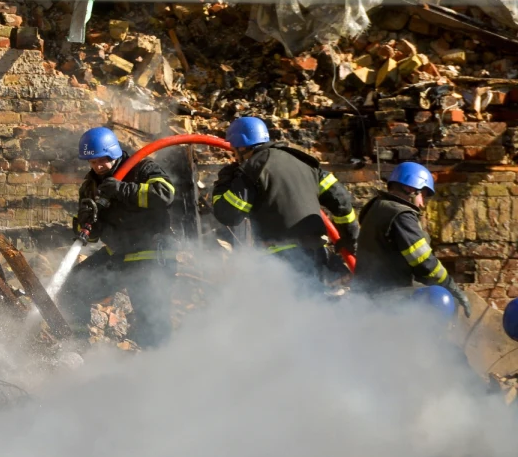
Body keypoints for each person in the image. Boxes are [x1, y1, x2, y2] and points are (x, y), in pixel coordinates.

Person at [59, 126, 177, 346]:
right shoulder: (90, 186)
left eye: (102, 160)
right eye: (92, 162)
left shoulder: (142, 168)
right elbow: (90, 237)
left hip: (150, 256)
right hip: (118, 255)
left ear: (113, 152)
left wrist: (123, 190)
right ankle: (77, 346)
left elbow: (165, 194)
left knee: (150, 320)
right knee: (71, 288)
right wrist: (85, 220)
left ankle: (161, 368)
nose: (98, 166)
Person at [211, 116, 358, 279]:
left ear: (241, 147)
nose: (235, 156)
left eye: (234, 149)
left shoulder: (253, 169)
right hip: (316, 252)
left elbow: (229, 216)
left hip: (282, 260)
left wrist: (223, 184)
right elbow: (341, 200)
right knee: (313, 299)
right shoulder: (304, 162)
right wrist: (349, 237)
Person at [352, 162, 469, 315]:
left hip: (366, 293)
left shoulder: (377, 206)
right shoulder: (401, 215)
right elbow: (424, 262)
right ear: (411, 189)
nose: (422, 204)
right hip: (389, 296)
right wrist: (452, 288)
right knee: (439, 299)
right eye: (423, 196)